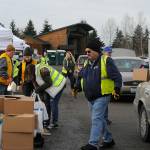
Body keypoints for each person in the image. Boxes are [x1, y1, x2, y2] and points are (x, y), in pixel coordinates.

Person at [75, 39, 122, 150]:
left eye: (89, 51)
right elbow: (82, 76)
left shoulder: (106, 61)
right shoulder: (87, 62)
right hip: (90, 97)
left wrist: (117, 89)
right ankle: (109, 139)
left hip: (102, 96)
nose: (87, 54)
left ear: (96, 51)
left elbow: (117, 76)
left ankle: (93, 144)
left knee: (96, 118)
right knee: (99, 119)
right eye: (86, 52)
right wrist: (76, 87)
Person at [34, 62, 66, 128]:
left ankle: (54, 123)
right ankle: (49, 121)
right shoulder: (38, 69)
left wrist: (38, 89)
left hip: (59, 84)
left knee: (53, 103)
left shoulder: (42, 70)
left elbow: (49, 83)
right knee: (49, 103)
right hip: (57, 85)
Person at [103, 46, 113, 125]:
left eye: (110, 53)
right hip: (104, 87)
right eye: (109, 52)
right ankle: (104, 119)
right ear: (104, 52)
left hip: (106, 87)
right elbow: (110, 74)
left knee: (105, 105)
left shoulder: (104, 59)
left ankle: (105, 119)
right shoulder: (106, 60)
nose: (110, 54)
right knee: (103, 105)